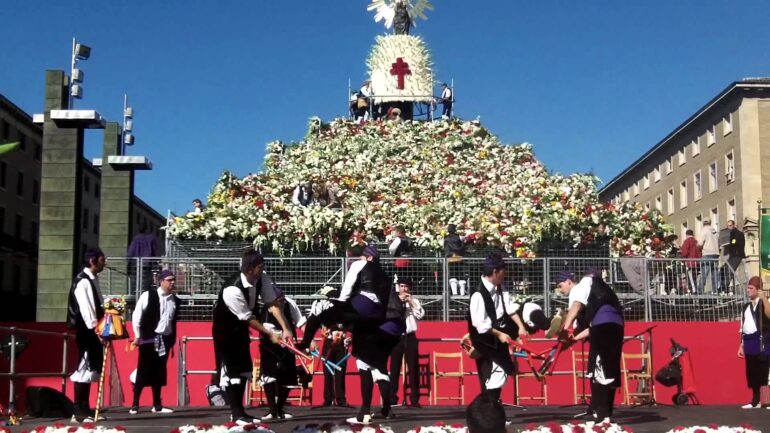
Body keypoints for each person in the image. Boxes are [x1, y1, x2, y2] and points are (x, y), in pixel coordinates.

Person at [297, 245, 394, 424]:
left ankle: (305, 342)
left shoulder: (359, 265)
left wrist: (341, 305)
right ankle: (382, 409)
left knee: (319, 309)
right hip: (380, 320)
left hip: (362, 309)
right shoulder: (386, 277)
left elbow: (347, 291)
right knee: (374, 365)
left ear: (367, 257)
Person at [211, 250, 293, 425]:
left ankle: (241, 413)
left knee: (244, 369)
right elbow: (248, 317)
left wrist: (285, 328)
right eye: (260, 266)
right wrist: (270, 333)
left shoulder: (262, 278)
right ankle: (236, 413)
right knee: (232, 371)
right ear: (250, 268)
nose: (263, 269)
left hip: (241, 329)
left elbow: (272, 303)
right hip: (225, 331)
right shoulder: (232, 289)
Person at [557, 270, 624, 423]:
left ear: (568, 282)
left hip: (603, 326)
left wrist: (565, 329)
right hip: (616, 326)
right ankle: (602, 412)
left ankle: (603, 416)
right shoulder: (602, 290)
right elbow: (591, 328)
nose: (561, 290)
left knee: (601, 369)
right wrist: (572, 339)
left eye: (560, 286)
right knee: (608, 367)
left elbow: (576, 306)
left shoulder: (580, 286)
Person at [129, 269, 181, 415]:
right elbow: (137, 315)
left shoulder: (175, 300)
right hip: (148, 338)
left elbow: (171, 321)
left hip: (165, 340)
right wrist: (137, 335)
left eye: (173, 280)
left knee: (159, 371)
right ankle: (135, 404)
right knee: (143, 369)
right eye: (169, 280)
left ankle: (157, 404)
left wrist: (170, 340)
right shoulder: (148, 295)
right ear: (161, 281)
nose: (172, 282)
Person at [468, 253, 516, 403]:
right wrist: (499, 334)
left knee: (498, 374)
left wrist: (519, 328)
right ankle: (485, 412)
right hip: (486, 341)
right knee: (492, 376)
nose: (505, 274)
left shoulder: (500, 288)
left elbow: (508, 308)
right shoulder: (478, 294)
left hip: (496, 338)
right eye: (503, 271)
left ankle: (491, 411)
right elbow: (480, 324)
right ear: (495, 272)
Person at [66, 248, 108, 423]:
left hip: (93, 330)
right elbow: (86, 308)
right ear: (92, 260)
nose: (104, 262)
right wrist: (96, 329)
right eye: (101, 259)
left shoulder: (93, 279)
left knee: (91, 368)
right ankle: (78, 411)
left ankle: (85, 408)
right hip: (87, 331)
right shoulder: (83, 281)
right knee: (84, 367)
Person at [258, 294, 304, 421]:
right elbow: (265, 326)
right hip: (269, 343)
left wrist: (309, 341)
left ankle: (279, 408)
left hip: (287, 343)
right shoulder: (267, 306)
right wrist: (277, 333)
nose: (280, 304)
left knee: (287, 375)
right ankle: (272, 410)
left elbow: (300, 321)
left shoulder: (290, 303)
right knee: (269, 374)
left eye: (282, 301)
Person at [389, 278, 425, 407]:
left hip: (410, 336)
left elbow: (420, 315)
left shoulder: (414, 301)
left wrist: (410, 302)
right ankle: (392, 397)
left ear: (410, 288)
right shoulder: (393, 300)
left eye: (406, 286)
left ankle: (415, 399)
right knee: (394, 368)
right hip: (396, 336)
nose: (404, 289)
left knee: (413, 367)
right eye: (401, 286)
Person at [738, 276, 770, 409]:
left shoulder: (764, 303)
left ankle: (766, 400)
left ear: (758, 290)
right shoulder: (745, 306)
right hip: (749, 341)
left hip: (762, 341)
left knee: (763, 371)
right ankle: (755, 400)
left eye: (751, 288)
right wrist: (741, 345)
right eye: (748, 288)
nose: (748, 290)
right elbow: (742, 326)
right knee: (752, 372)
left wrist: (764, 298)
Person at [721, 220, 746, 295]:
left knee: (729, 271)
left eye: (730, 225)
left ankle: (724, 288)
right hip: (733, 255)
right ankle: (724, 288)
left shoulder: (737, 233)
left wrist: (730, 246)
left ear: (734, 225)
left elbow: (736, 244)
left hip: (737, 255)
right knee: (724, 269)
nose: (729, 227)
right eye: (728, 226)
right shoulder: (731, 233)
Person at [444, 224, 467, 296]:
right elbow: (462, 247)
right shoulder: (459, 238)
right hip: (459, 258)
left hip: (450, 258)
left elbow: (445, 249)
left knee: (452, 275)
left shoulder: (446, 238)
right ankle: (462, 293)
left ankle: (454, 293)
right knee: (460, 275)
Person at [698, 219, 720, 293]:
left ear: (703, 223)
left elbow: (700, 243)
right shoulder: (715, 231)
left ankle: (700, 291)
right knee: (715, 273)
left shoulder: (704, 231)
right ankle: (716, 290)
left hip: (707, 253)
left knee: (704, 273)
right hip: (716, 254)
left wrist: (698, 247)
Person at [679, 229, 701, 294]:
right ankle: (695, 290)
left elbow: (684, 253)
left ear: (686, 235)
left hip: (690, 262)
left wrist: (682, 259)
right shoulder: (696, 241)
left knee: (691, 279)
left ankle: (694, 291)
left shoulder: (687, 241)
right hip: (697, 262)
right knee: (695, 278)